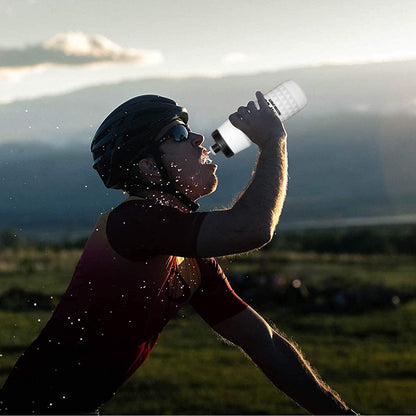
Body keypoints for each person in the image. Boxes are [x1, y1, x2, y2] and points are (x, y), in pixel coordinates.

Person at [0, 92, 357, 415]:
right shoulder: (131, 222)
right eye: (178, 134)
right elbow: (252, 227)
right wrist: (273, 141)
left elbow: (264, 343)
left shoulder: (188, 260)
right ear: (148, 167)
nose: (199, 139)